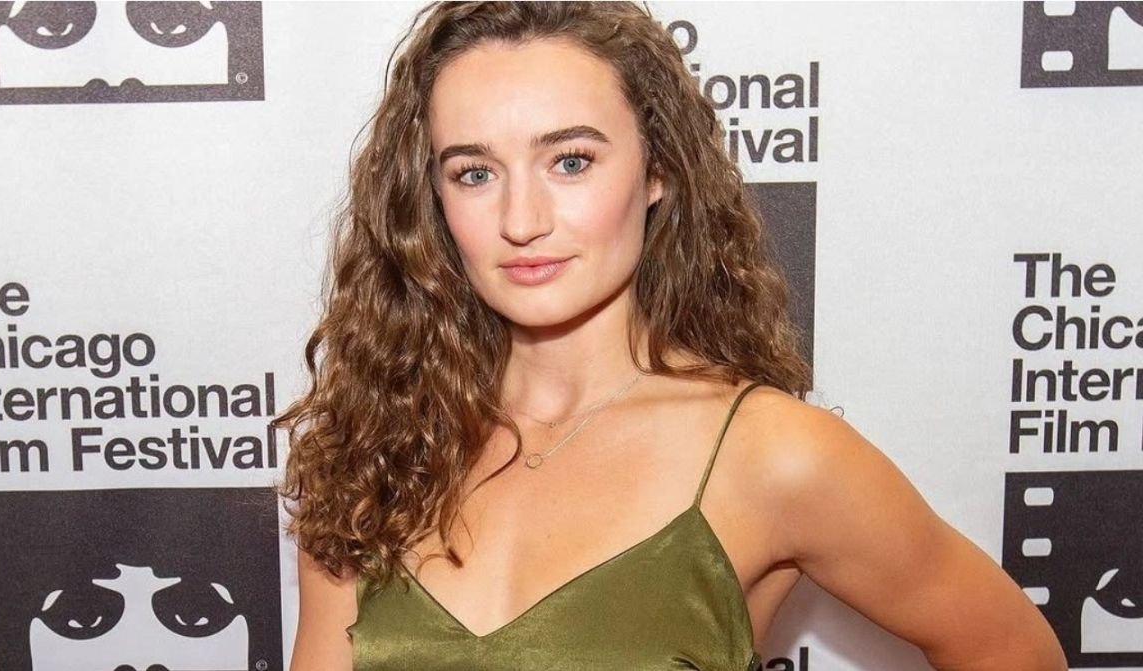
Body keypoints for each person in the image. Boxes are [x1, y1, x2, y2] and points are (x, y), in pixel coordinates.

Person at [276, 2, 1066, 669]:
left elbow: (1015, 651)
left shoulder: (772, 456)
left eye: (570, 161)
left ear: (657, 171)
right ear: (433, 199)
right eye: (474, 172)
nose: (521, 219)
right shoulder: (376, 444)